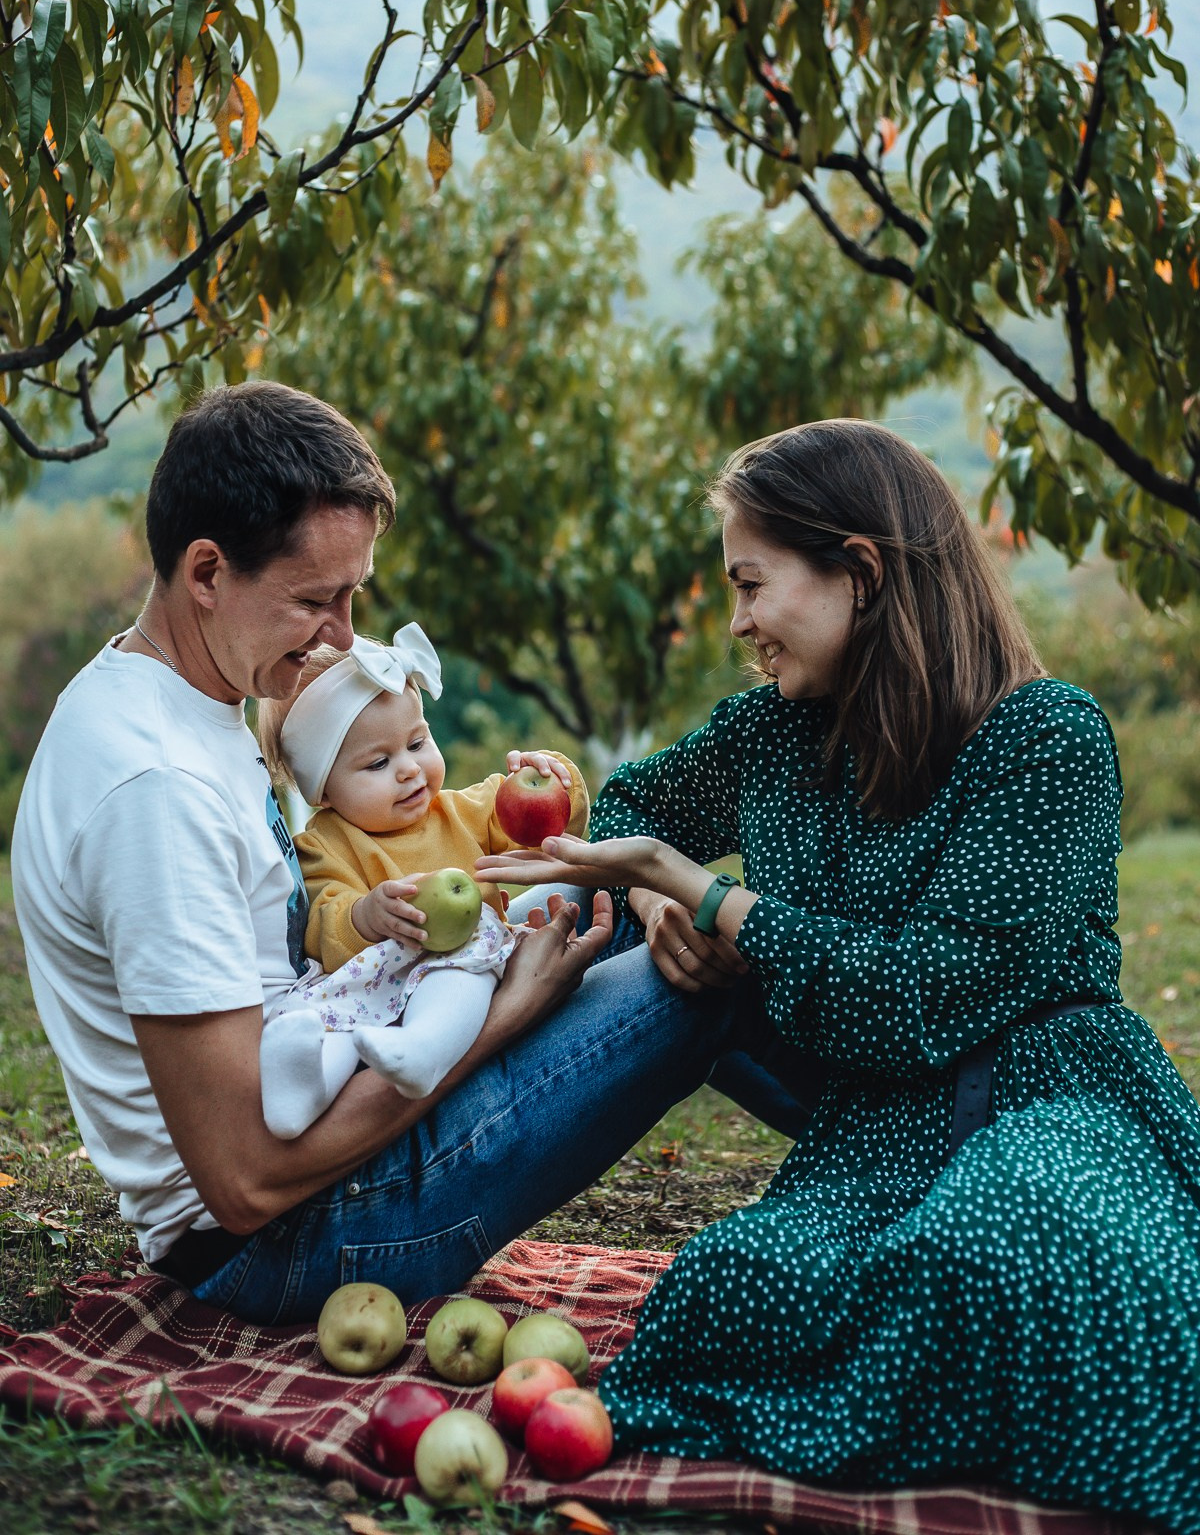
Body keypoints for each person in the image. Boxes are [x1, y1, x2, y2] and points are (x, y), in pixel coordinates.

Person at [479, 419, 1200, 1533]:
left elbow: (925, 998)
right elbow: (631, 809)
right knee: (725, 1290)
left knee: (1013, 1252)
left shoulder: (1044, 740)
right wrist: (661, 896)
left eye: (753, 585)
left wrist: (715, 895)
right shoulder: (774, 734)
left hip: (1048, 1090)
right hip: (874, 1118)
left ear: (859, 573)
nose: (740, 624)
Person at [11, 381, 791, 1323]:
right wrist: (501, 1018)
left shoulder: (195, 697)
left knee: (631, 914)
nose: (342, 639)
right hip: (293, 1241)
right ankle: (917, 1193)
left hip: (339, 1118)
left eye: (353, 597)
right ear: (206, 572)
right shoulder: (154, 794)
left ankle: (912, 1171)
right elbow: (245, 1184)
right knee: (710, 969)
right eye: (314, 601)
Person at [253, 622, 588, 1134]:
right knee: (331, 1017)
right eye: (379, 762)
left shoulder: (459, 810)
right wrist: (365, 916)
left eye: (418, 742)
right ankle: (304, 1090)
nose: (410, 770)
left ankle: (424, 1051)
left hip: (456, 962)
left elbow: (539, 831)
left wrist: (551, 778)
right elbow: (321, 919)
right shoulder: (323, 844)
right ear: (323, 788)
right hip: (370, 983)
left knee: (459, 977)